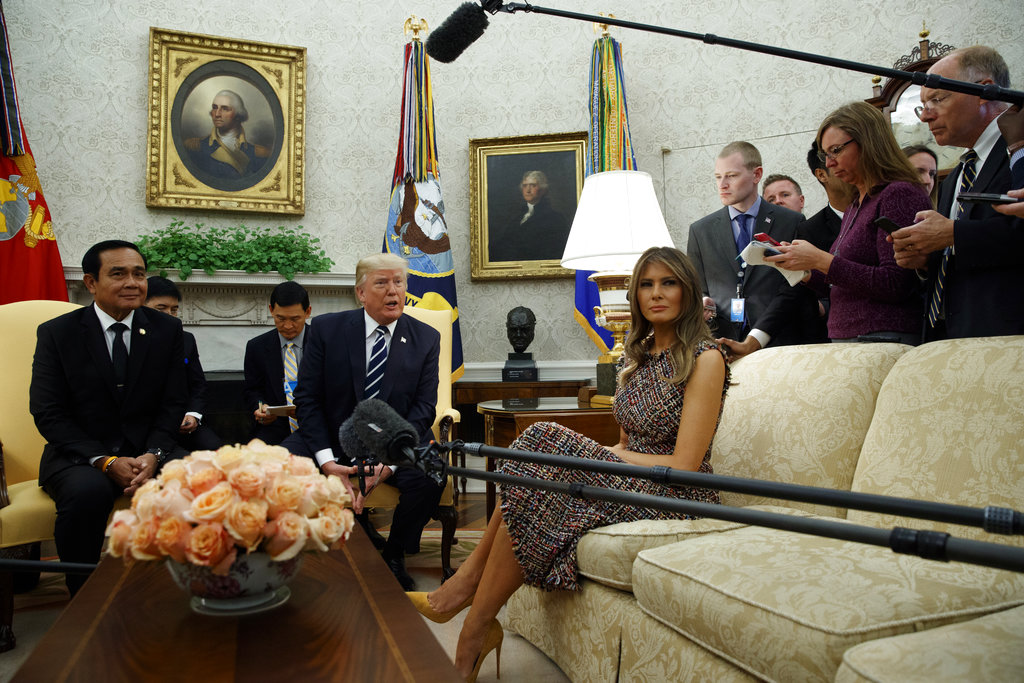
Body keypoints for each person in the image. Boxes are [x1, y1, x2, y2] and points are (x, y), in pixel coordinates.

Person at [408, 247, 729, 681]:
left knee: (542, 440)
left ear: (688, 290)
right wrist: (611, 457)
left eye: (668, 283)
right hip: (630, 482)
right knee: (536, 477)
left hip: (677, 493)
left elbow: (687, 464)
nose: (656, 294)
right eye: (647, 284)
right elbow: (624, 438)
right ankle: (470, 617)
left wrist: (610, 459)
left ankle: (466, 608)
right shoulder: (636, 357)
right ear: (635, 295)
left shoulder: (705, 357)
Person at [30, 241, 187, 594]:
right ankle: (84, 596)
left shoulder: (167, 330)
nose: (132, 282)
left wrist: (153, 454)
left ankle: (181, 587)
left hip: (149, 449)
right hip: (81, 455)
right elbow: (47, 411)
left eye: (139, 274)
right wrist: (104, 460)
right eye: (118, 274)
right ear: (90, 283)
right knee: (88, 493)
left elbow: (174, 402)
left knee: (200, 479)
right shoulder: (58, 333)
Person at [281, 253, 444, 592]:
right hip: (333, 433)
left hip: (397, 438)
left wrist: (391, 461)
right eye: (382, 283)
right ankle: (292, 554)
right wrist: (326, 460)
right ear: (361, 292)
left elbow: (424, 408)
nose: (392, 291)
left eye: (399, 282)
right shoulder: (327, 329)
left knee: (432, 476)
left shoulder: (425, 338)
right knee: (279, 466)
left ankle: (395, 553)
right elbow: (307, 399)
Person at [767, 101, 931, 344]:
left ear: (868, 142)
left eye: (836, 150)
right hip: (851, 338)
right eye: (826, 155)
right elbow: (843, 287)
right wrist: (803, 271)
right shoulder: (857, 202)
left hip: (884, 336)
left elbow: (896, 283)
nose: (829, 163)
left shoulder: (898, 194)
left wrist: (821, 260)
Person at [890, 46, 1023, 340]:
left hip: (1008, 336)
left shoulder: (1019, 150)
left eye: (937, 99)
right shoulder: (959, 173)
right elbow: (960, 254)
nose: (925, 116)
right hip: (951, 335)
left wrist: (953, 234)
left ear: (985, 92)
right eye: (922, 105)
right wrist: (926, 260)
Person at [687, 141, 804, 347]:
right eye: (718, 177)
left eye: (731, 176)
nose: (722, 185)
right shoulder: (700, 231)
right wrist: (703, 302)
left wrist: (758, 337)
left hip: (780, 342)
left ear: (756, 175)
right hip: (723, 342)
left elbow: (795, 288)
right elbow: (697, 289)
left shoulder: (791, 222)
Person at [145, 277, 222, 452]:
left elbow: (198, 385)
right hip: (148, 426)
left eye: (174, 310)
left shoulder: (186, 339)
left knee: (217, 451)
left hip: (183, 421)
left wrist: (193, 414)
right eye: (161, 308)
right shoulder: (132, 340)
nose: (169, 315)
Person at [242, 281, 311, 446]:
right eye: (280, 318)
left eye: (295, 319)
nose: (287, 326)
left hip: (316, 424)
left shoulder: (323, 342)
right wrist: (261, 407)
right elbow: (253, 390)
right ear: (271, 310)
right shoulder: (257, 347)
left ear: (307, 312)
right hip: (274, 426)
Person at [184, 89, 270, 179]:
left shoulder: (259, 154)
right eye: (215, 107)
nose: (217, 114)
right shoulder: (194, 147)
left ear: (238, 114)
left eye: (225, 109)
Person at [489, 170, 570, 262]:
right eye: (525, 186)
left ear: (543, 190)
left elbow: (552, 251)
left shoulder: (555, 219)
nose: (528, 190)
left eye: (533, 185)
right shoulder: (517, 217)